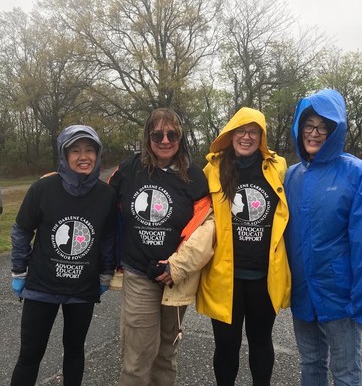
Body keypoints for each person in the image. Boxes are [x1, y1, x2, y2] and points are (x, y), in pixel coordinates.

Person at [284, 88, 362, 386]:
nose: (315, 133)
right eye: (309, 125)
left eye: (324, 126)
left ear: (336, 130)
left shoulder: (360, 174)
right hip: (303, 294)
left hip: (342, 296)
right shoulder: (292, 176)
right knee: (310, 363)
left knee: (345, 372)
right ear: (299, 127)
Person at [108, 107, 214, 386]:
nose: (165, 140)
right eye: (157, 134)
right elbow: (99, 200)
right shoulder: (130, 168)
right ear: (147, 137)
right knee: (137, 357)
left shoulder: (194, 175)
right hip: (138, 274)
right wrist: (60, 182)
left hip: (176, 278)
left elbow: (207, 226)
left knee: (166, 355)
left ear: (181, 137)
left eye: (172, 134)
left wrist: (178, 266)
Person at [10, 125, 117, 386]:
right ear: (64, 155)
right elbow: (22, 230)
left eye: (90, 150)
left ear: (98, 154)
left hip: (82, 289)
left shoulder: (106, 195)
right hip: (41, 286)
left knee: (74, 350)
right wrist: (19, 270)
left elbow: (107, 238)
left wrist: (105, 274)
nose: (84, 156)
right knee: (30, 354)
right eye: (76, 150)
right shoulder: (43, 188)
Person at [196, 107, 291, 386]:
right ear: (231, 134)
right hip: (224, 277)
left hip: (265, 276)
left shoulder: (279, 168)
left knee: (261, 342)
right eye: (241, 131)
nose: (246, 137)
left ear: (261, 137)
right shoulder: (211, 170)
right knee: (226, 346)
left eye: (253, 132)